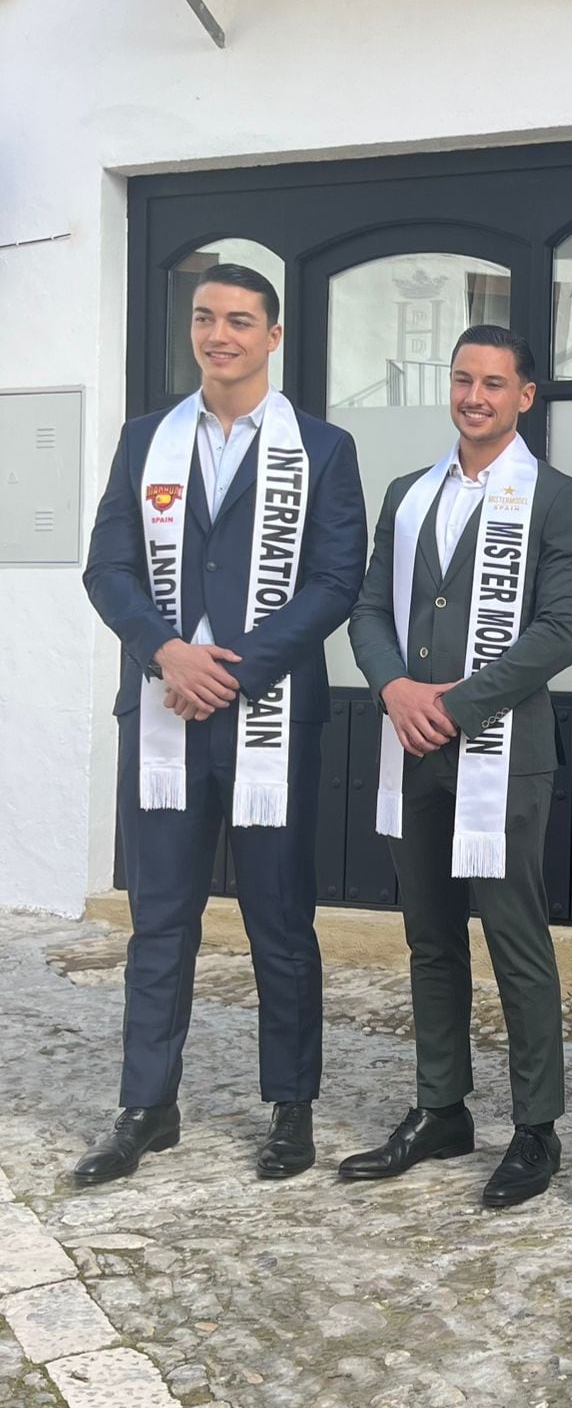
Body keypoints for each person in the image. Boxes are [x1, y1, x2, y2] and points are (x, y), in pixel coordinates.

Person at [76, 263, 366, 1185]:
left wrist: (229, 667)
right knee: (159, 921)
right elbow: (108, 569)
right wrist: (168, 653)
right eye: (205, 318)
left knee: (281, 921)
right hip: (165, 712)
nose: (220, 335)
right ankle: (145, 1104)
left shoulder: (321, 449)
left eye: (240, 320)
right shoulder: (143, 441)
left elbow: (333, 579)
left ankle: (291, 1108)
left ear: (273, 336)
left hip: (269, 714)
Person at [342, 325, 572, 1209]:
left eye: (494, 383)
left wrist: (455, 703)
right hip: (410, 746)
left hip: (503, 756)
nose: (474, 396)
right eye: (462, 380)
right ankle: (441, 1106)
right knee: (429, 937)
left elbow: (560, 630)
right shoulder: (409, 494)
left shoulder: (558, 499)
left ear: (526, 395)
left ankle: (537, 1127)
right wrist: (395, 688)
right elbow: (368, 609)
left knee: (515, 939)